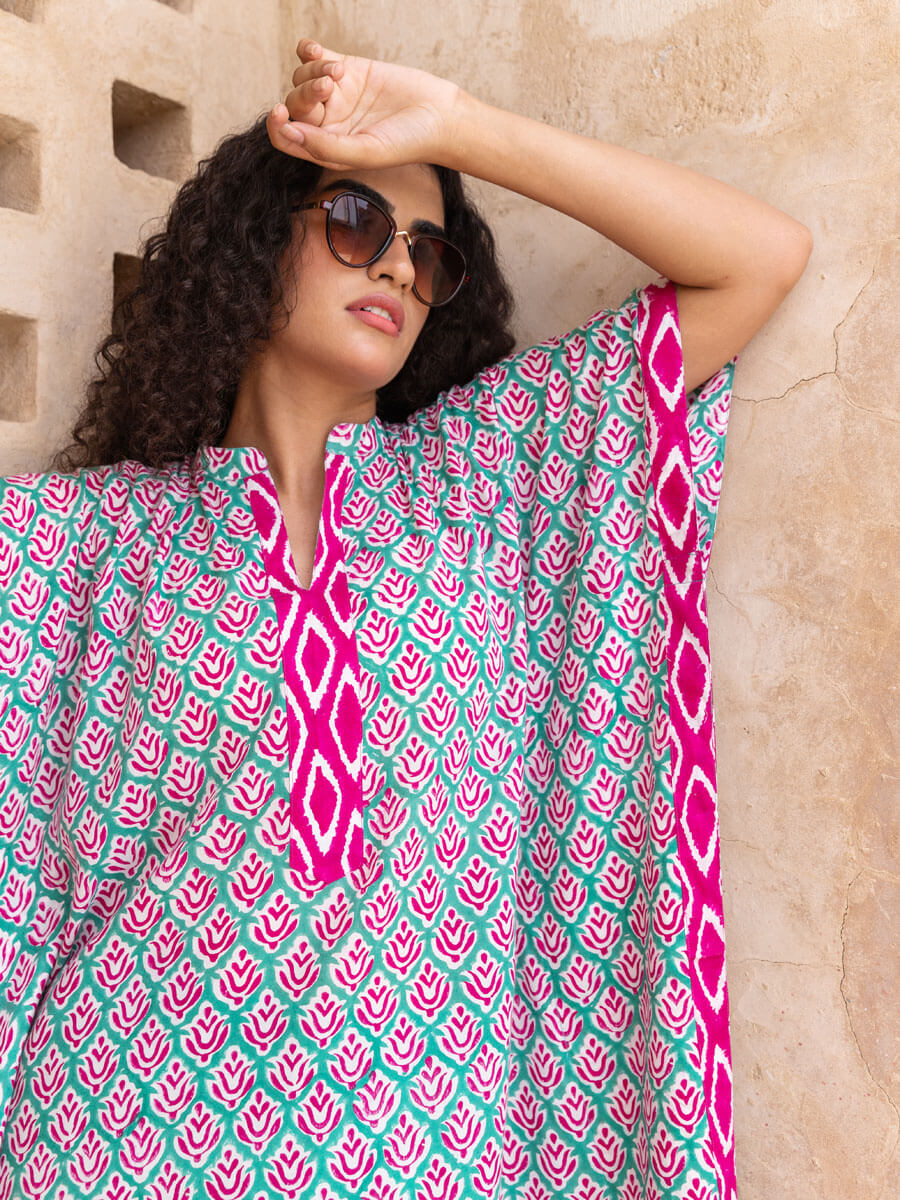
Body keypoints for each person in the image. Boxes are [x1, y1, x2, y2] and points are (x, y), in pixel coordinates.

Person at [0, 36, 810, 1200]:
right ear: (255, 240)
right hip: (110, 1144)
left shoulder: (487, 478)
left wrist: (457, 126)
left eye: (429, 254)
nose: (393, 265)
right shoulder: (74, 546)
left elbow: (756, 260)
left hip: (424, 1149)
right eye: (354, 221)